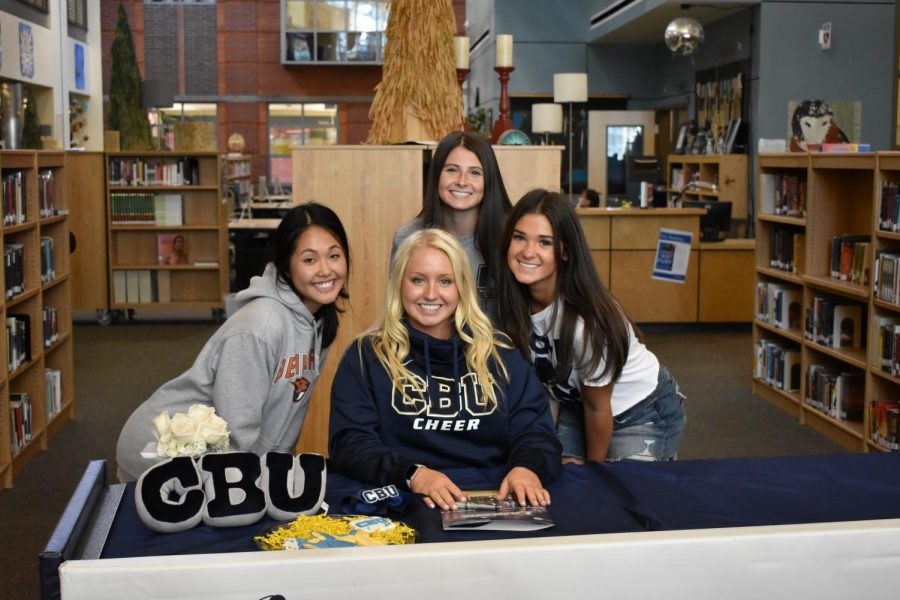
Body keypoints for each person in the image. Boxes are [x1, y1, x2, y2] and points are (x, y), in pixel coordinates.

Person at [116, 203, 350, 481]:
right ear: (286, 265)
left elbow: (288, 415)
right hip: (161, 456)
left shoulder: (318, 321)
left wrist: (278, 474)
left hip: (218, 461)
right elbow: (239, 431)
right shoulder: (261, 325)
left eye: (334, 256)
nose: (326, 270)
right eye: (309, 260)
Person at [330, 229, 561, 510]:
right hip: (408, 498)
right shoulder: (366, 355)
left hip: (494, 495)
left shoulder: (499, 353)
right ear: (398, 285)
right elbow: (350, 443)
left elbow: (536, 431)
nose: (431, 293)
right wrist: (412, 474)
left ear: (461, 287)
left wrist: (527, 468)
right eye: (417, 280)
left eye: (445, 281)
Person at [497, 189, 685, 463]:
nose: (528, 251)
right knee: (558, 479)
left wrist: (594, 475)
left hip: (642, 408)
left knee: (617, 494)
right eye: (519, 237)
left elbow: (599, 408)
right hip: (576, 404)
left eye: (545, 242)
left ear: (564, 251)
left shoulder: (587, 320)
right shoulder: (514, 301)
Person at [391, 130, 512, 322]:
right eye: (452, 170)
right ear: (436, 176)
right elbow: (398, 312)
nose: (462, 181)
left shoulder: (511, 237)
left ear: (488, 180)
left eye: (474, 173)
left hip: (498, 350)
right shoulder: (408, 237)